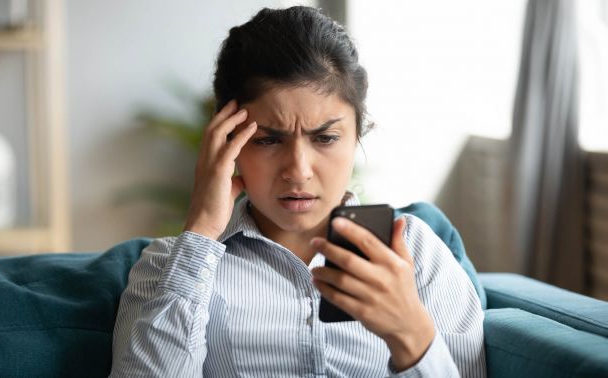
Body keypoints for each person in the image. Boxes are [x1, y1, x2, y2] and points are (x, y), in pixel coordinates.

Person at [110, 6, 486, 377]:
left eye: (325, 137)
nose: (298, 171)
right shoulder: (168, 267)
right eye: (269, 140)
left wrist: (411, 333)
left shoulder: (420, 258)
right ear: (225, 141)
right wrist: (201, 233)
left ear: (359, 135)